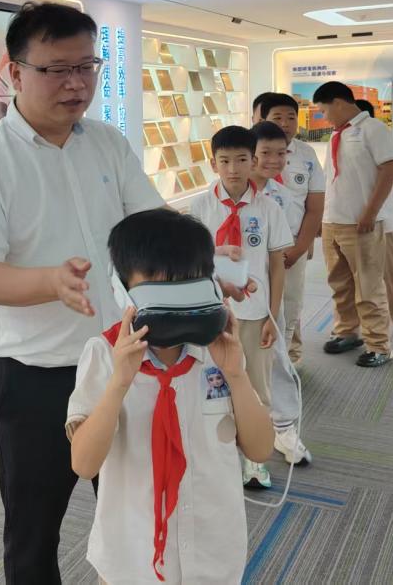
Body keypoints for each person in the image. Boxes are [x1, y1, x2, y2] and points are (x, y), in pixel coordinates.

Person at [0, 1, 168, 583]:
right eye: (56, 69)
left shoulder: (107, 143)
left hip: (119, 361)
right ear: (15, 72)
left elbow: (151, 227)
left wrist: (199, 268)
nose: (76, 83)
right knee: (35, 529)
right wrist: (51, 281)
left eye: (87, 66)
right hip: (35, 376)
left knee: (137, 510)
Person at [67, 209, 273, 585]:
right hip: (131, 560)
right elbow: (84, 464)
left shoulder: (217, 353)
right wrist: (119, 384)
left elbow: (260, 450)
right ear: (121, 288)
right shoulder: (104, 354)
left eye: (188, 281)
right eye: (159, 285)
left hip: (212, 554)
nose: (175, 300)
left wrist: (237, 375)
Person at [189, 125, 292, 489]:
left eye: (241, 160)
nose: (233, 169)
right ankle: (216, 458)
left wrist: (273, 316)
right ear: (213, 163)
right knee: (211, 387)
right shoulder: (200, 206)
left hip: (254, 313)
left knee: (256, 387)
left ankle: (255, 459)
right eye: (225, 161)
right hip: (210, 312)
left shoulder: (269, 208)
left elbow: (277, 265)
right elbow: (192, 260)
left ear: (254, 162)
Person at [312, 82, 393, 367]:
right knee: (340, 284)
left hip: (360, 224)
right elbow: (332, 180)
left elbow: (389, 170)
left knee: (368, 286)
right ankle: (347, 332)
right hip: (332, 222)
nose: (324, 117)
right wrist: (322, 218)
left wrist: (370, 213)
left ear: (338, 102)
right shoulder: (336, 135)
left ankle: (379, 345)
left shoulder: (373, 129)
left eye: (324, 110)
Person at [249, 120, 312, 466]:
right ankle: (238, 438)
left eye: (281, 153)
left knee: (275, 357)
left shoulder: (280, 198)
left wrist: (273, 307)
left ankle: (284, 428)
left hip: (266, 293)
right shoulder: (220, 195)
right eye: (266, 153)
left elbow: (279, 258)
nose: (274, 160)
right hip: (227, 296)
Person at [259, 93, 326, 362]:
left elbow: (315, 208)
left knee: (290, 305)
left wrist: (300, 248)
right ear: (262, 119)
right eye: (278, 117)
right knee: (256, 307)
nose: (285, 123)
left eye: (291, 117)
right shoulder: (250, 153)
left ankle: (285, 364)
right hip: (256, 247)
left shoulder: (307, 154)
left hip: (292, 245)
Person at [355, 99, 393, 339]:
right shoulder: (339, 142)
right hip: (351, 224)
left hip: (384, 222)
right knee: (354, 279)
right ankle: (350, 328)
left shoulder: (383, 142)